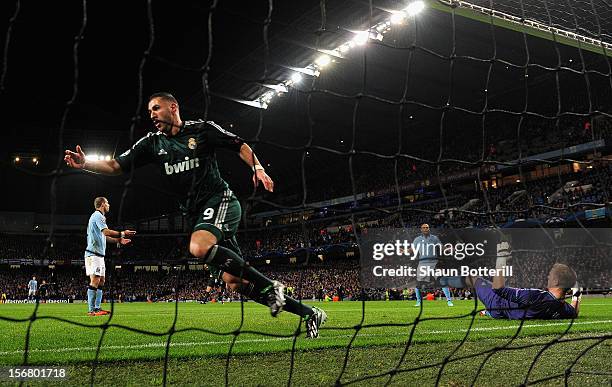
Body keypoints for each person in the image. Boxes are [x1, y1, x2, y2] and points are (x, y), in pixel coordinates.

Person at [65, 92, 327, 337]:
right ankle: (310, 313)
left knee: (199, 246)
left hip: (220, 200)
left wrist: (257, 167)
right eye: (149, 111)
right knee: (233, 282)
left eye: (156, 108)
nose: (152, 114)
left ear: (173, 107)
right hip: (196, 215)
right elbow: (115, 165)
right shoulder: (151, 143)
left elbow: (239, 145)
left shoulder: (202, 130)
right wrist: (85, 163)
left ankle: (273, 286)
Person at [468, 263, 581, 319]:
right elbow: (574, 311)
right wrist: (577, 291)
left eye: (550, 275)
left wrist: (501, 258)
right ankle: (487, 312)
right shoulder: (563, 309)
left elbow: (498, 289)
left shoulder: (536, 296)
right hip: (508, 312)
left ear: (555, 281)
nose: (547, 277)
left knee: (474, 279)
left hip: (497, 302)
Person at [84, 197, 135, 316]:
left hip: (100, 255)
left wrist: (118, 240)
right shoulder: (98, 216)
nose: (109, 205)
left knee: (101, 281)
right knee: (95, 280)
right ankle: (91, 310)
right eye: (107, 203)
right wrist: (122, 233)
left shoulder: (99, 217)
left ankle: (97, 308)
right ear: (102, 204)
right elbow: (106, 232)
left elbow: (104, 237)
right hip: (93, 254)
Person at [409, 224, 454, 307]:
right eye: (424, 228)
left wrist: (448, 249)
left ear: (429, 229)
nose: (426, 229)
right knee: (418, 284)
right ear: (421, 230)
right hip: (422, 263)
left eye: (427, 228)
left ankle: (449, 301)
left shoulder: (434, 238)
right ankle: (419, 301)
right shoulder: (417, 239)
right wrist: (403, 251)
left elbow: (441, 247)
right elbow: (411, 250)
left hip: (434, 263)